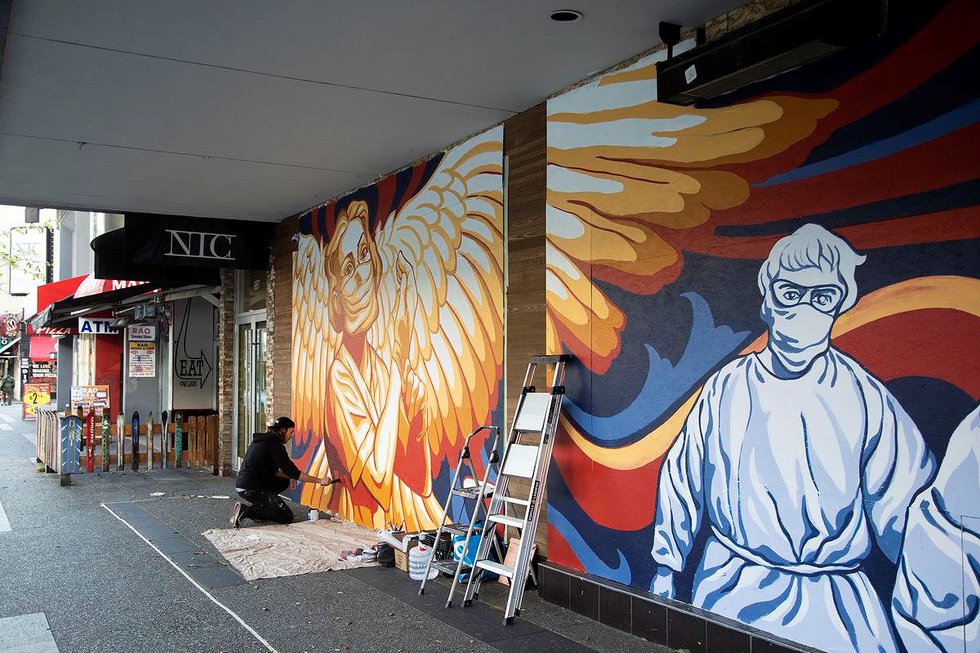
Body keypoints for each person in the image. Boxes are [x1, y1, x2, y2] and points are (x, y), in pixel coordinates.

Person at [650, 224, 936, 652]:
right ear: (767, 299)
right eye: (790, 292)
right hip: (733, 589)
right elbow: (683, 479)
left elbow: (909, 511)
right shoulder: (729, 388)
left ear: (840, 305)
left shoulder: (863, 397)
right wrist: (665, 567)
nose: (804, 310)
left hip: (837, 609)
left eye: (822, 298)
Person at [231, 416, 337, 527]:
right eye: (291, 432)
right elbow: (294, 472)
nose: (291, 436)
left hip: (245, 485)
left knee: (284, 481)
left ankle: (263, 505)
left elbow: (275, 472)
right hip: (251, 488)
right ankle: (248, 511)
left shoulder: (263, 442)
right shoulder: (274, 445)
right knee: (285, 516)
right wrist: (320, 480)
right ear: (282, 430)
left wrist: (291, 477)